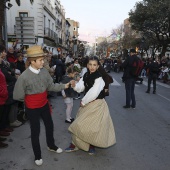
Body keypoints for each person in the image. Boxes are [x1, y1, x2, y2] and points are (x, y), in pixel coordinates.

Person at [13, 45, 70, 166]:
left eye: (43, 59)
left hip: (44, 104)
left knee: (50, 125)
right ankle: (37, 156)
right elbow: (17, 95)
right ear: (32, 61)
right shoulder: (24, 77)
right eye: (40, 60)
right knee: (35, 131)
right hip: (32, 107)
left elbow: (51, 86)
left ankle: (51, 145)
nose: (43, 62)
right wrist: (30, 100)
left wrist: (65, 86)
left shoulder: (44, 72)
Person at [65, 56, 116, 155]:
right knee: (80, 125)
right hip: (87, 104)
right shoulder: (86, 75)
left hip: (97, 104)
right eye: (90, 65)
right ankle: (75, 144)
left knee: (92, 128)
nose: (92, 67)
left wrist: (83, 102)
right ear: (87, 65)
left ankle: (91, 145)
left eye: (94, 65)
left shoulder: (99, 78)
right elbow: (81, 87)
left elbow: (94, 92)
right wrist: (75, 85)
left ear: (98, 66)